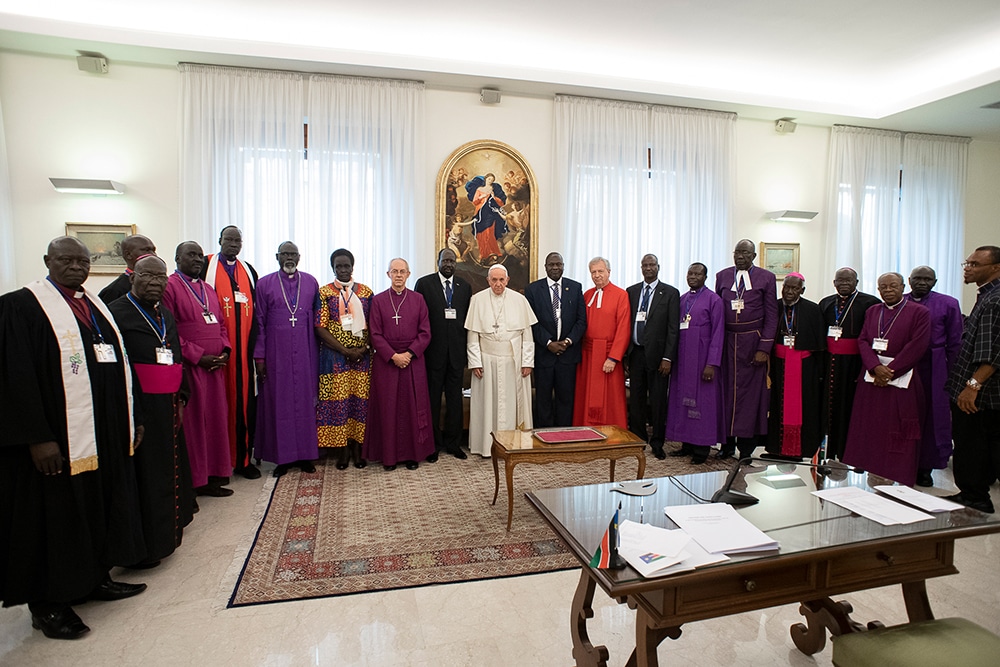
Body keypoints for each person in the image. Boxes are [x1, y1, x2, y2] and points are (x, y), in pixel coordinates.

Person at [0, 236, 147, 640]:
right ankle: (48, 605)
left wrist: (131, 418)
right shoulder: (20, 306)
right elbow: (15, 378)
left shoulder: (95, 306)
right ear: (47, 260)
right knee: (54, 518)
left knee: (96, 505)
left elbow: (119, 360)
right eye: (66, 260)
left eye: (82, 261)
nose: (76, 267)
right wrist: (36, 438)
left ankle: (93, 578)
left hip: (101, 434)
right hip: (55, 440)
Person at [108, 254, 195, 567]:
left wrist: (182, 396)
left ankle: (167, 536)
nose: (155, 283)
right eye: (148, 276)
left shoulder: (164, 314)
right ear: (132, 276)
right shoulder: (115, 312)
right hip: (141, 406)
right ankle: (141, 548)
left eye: (161, 278)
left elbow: (173, 354)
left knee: (168, 471)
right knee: (145, 477)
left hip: (169, 402)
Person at [843, 272, 930, 486]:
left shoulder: (919, 312)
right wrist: (874, 367)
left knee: (897, 428)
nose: (888, 290)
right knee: (872, 426)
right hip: (872, 379)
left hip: (902, 381)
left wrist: (890, 370)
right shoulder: (873, 311)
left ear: (903, 287)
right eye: (883, 287)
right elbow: (863, 340)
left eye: (893, 286)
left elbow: (918, 345)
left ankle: (897, 473)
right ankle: (872, 468)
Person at [161, 241, 234, 497]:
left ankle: (215, 476)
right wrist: (197, 356)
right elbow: (167, 330)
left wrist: (225, 349)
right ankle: (195, 481)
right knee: (194, 425)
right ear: (177, 258)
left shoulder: (207, 288)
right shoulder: (170, 287)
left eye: (200, 256)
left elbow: (221, 324)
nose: (197, 260)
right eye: (191, 255)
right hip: (191, 367)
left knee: (215, 420)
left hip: (215, 368)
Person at [252, 242, 319, 477]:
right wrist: (259, 357)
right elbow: (258, 322)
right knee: (278, 403)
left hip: (304, 349)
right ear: (277, 256)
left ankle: (305, 455)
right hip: (275, 351)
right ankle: (283, 458)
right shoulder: (264, 284)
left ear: (299, 257)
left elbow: (318, 321)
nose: (289, 258)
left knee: (304, 401)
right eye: (284, 254)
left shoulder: (311, 282)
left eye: (293, 254)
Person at [363, 259, 436, 470]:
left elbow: (426, 332)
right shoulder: (378, 300)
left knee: (414, 407)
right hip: (387, 362)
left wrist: (410, 353)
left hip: (413, 361)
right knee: (388, 408)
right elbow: (374, 333)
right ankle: (389, 457)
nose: (398, 275)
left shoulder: (418, 299)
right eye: (394, 271)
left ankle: (414, 454)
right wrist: (393, 355)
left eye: (402, 271)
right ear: (388, 274)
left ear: (408, 274)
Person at [945, 246, 1000, 513]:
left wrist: (972, 387)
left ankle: (975, 497)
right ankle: (972, 493)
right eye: (967, 263)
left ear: (996, 268)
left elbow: (991, 352)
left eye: (975, 264)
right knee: (974, 445)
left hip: (981, 393)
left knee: (973, 445)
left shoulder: (995, 301)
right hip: (975, 389)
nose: (968, 268)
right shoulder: (987, 295)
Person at [203, 225, 260, 480]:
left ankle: (243, 460)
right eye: (229, 239)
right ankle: (216, 466)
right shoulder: (205, 266)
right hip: (215, 354)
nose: (234, 244)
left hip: (243, 355)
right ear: (219, 240)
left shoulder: (249, 271)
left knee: (244, 405)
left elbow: (257, 314)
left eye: (238, 240)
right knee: (217, 408)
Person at [714, 239, 778, 460]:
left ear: (753, 256)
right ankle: (726, 445)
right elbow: (717, 312)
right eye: (737, 252)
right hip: (728, 342)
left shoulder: (766, 278)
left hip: (753, 342)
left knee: (750, 397)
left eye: (745, 252)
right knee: (726, 395)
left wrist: (764, 347)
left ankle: (747, 448)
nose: (740, 256)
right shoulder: (722, 276)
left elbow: (772, 316)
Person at [465, 264, 536, 456]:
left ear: (507, 280)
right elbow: (473, 335)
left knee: (513, 404)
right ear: (488, 280)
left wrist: (527, 361)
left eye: (501, 280)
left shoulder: (519, 300)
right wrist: (475, 362)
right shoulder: (477, 300)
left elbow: (527, 335)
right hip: (486, 361)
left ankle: (515, 444)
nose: (498, 284)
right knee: (487, 404)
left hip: (514, 360)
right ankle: (486, 446)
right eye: (494, 280)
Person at [904, 266, 963, 487]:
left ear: (935, 281)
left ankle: (924, 468)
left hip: (934, 366)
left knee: (930, 417)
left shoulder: (948, 303)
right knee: (902, 414)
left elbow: (955, 341)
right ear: (909, 280)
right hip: (904, 364)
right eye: (917, 278)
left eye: (927, 279)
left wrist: (953, 373)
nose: (922, 282)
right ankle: (901, 463)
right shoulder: (901, 302)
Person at [315, 248, 372, 469]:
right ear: (333, 268)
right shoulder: (324, 293)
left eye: (346, 265)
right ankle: (342, 452)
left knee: (359, 403)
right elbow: (320, 327)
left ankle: (359, 450)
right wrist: (345, 350)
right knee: (337, 404)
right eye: (338, 266)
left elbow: (374, 324)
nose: (343, 269)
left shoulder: (366, 292)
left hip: (362, 358)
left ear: (352, 266)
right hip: (334, 358)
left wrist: (364, 349)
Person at [414, 248, 472, 459]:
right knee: (433, 400)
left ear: (455, 263)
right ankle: (432, 445)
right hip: (432, 353)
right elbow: (417, 317)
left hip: (457, 354)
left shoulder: (464, 287)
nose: (448, 264)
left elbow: (467, 321)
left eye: (451, 260)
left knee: (455, 399)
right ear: (437, 262)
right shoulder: (424, 284)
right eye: (444, 260)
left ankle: (453, 444)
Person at [665, 263, 725, 464]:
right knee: (682, 401)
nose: (692, 276)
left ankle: (701, 449)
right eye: (690, 273)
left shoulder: (714, 300)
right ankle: (686, 444)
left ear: (705, 277)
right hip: (683, 359)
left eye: (697, 273)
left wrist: (712, 363)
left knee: (702, 404)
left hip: (701, 360)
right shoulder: (682, 300)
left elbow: (718, 333)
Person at [818, 268, 880, 460]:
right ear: (834, 283)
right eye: (840, 280)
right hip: (829, 362)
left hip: (855, 362)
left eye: (849, 280)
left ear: (857, 282)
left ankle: (850, 451)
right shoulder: (826, 303)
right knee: (828, 405)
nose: (844, 283)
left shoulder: (870, 303)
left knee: (851, 406)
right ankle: (828, 449)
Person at [763, 273, 826, 461]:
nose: (789, 292)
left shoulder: (812, 310)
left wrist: (818, 372)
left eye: (794, 288)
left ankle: (801, 449)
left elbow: (820, 345)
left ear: (802, 290)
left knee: (804, 407)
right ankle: (776, 448)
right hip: (777, 364)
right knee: (776, 405)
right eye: (786, 288)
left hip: (804, 367)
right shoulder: (773, 306)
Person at [524, 252, 587, 427]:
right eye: (551, 265)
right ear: (545, 267)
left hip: (568, 355)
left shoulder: (575, 287)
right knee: (543, 399)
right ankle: (544, 435)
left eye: (558, 264)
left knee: (566, 399)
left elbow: (581, 321)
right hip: (544, 354)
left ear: (563, 266)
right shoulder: (533, 290)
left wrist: (567, 341)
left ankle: (563, 435)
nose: (555, 268)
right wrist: (548, 343)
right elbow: (531, 322)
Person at [626, 254, 680, 459]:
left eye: (652, 265)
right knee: (637, 400)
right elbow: (626, 324)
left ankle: (658, 442)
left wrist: (668, 358)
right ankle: (638, 439)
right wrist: (625, 356)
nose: (648, 268)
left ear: (658, 267)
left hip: (659, 358)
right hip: (636, 354)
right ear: (641, 268)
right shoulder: (631, 292)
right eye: (645, 265)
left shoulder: (670, 293)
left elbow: (673, 329)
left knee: (658, 401)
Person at [574, 257, 630, 430]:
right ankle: (586, 429)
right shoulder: (587, 295)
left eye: (600, 271)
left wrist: (613, 358)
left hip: (608, 353)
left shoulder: (621, 295)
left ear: (608, 272)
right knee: (587, 394)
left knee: (610, 396)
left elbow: (624, 328)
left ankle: (611, 431)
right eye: (593, 272)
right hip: (588, 354)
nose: (597, 275)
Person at [98, 234, 157, 305]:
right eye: (146, 250)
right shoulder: (114, 291)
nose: (153, 255)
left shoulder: (157, 286)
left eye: (153, 250)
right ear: (128, 254)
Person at [466, 173, 507, 261]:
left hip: (491, 213)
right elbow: (475, 202)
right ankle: (483, 254)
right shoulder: (479, 189)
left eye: (492, 180)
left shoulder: (494, 189)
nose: (490, 181)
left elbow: (501, 203)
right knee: (480, 234)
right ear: (485, 179)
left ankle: (494, 252)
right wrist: (481, 196)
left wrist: (494, 197)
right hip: (480, 213)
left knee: (489, 232)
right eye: (489, 179)